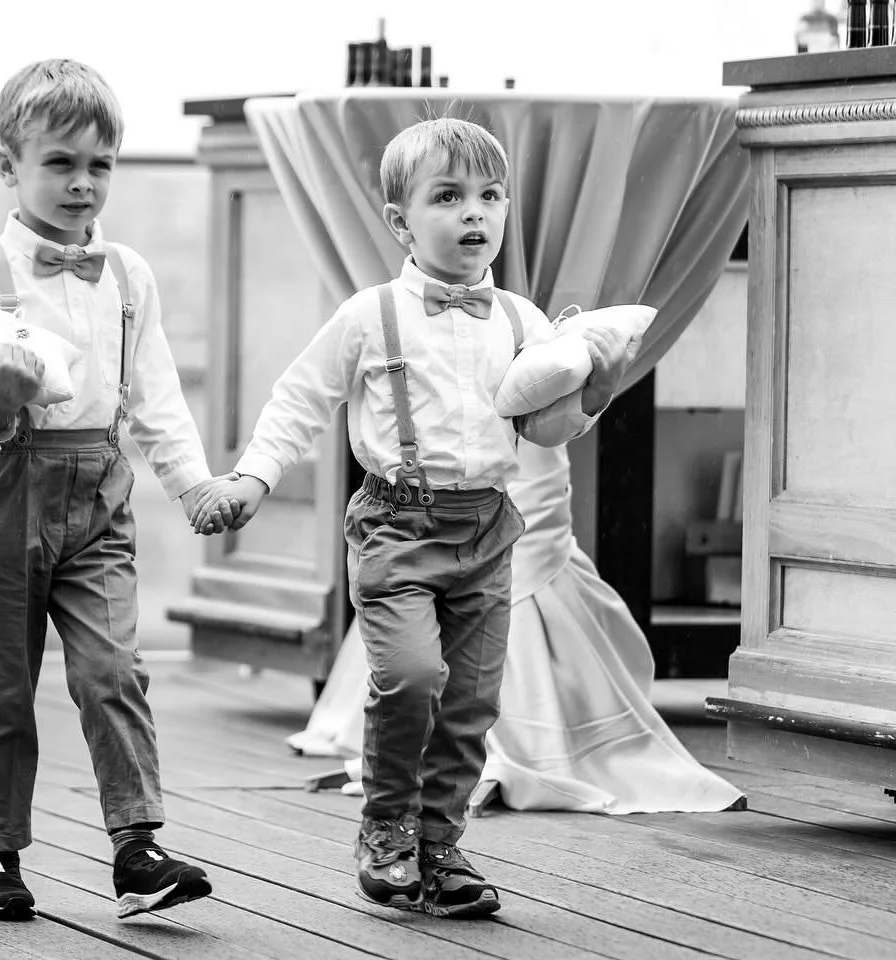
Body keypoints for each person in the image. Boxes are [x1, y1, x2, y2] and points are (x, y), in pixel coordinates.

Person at [192, 118, 630, 918]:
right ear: (401, 221)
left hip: (488, 530)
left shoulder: (521, 320)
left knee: (469, 700)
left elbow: (543, 429)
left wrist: (593, 391)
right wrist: (255, 476)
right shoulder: (369, 316)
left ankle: (441, 843)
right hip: (397, 525)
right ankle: (386, 824)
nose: (475, 214)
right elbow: (300, 399)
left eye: (491, 197)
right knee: (412, 678)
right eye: (449, 197)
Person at [0, 58, 225, 922]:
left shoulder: (130, 277)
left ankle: (137, 847)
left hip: (100, 496)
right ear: (8, 165)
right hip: (7, 490)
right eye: (60, 163)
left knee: (113, 670)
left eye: (99, 165)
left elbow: (156, 399)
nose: (81, 183)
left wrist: (196, 488)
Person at [288, 438, 747, 817]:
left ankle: (512, 744)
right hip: (442, 453)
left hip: (531, 422)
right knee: (427, 623)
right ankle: (431, 765)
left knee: (521, 554)